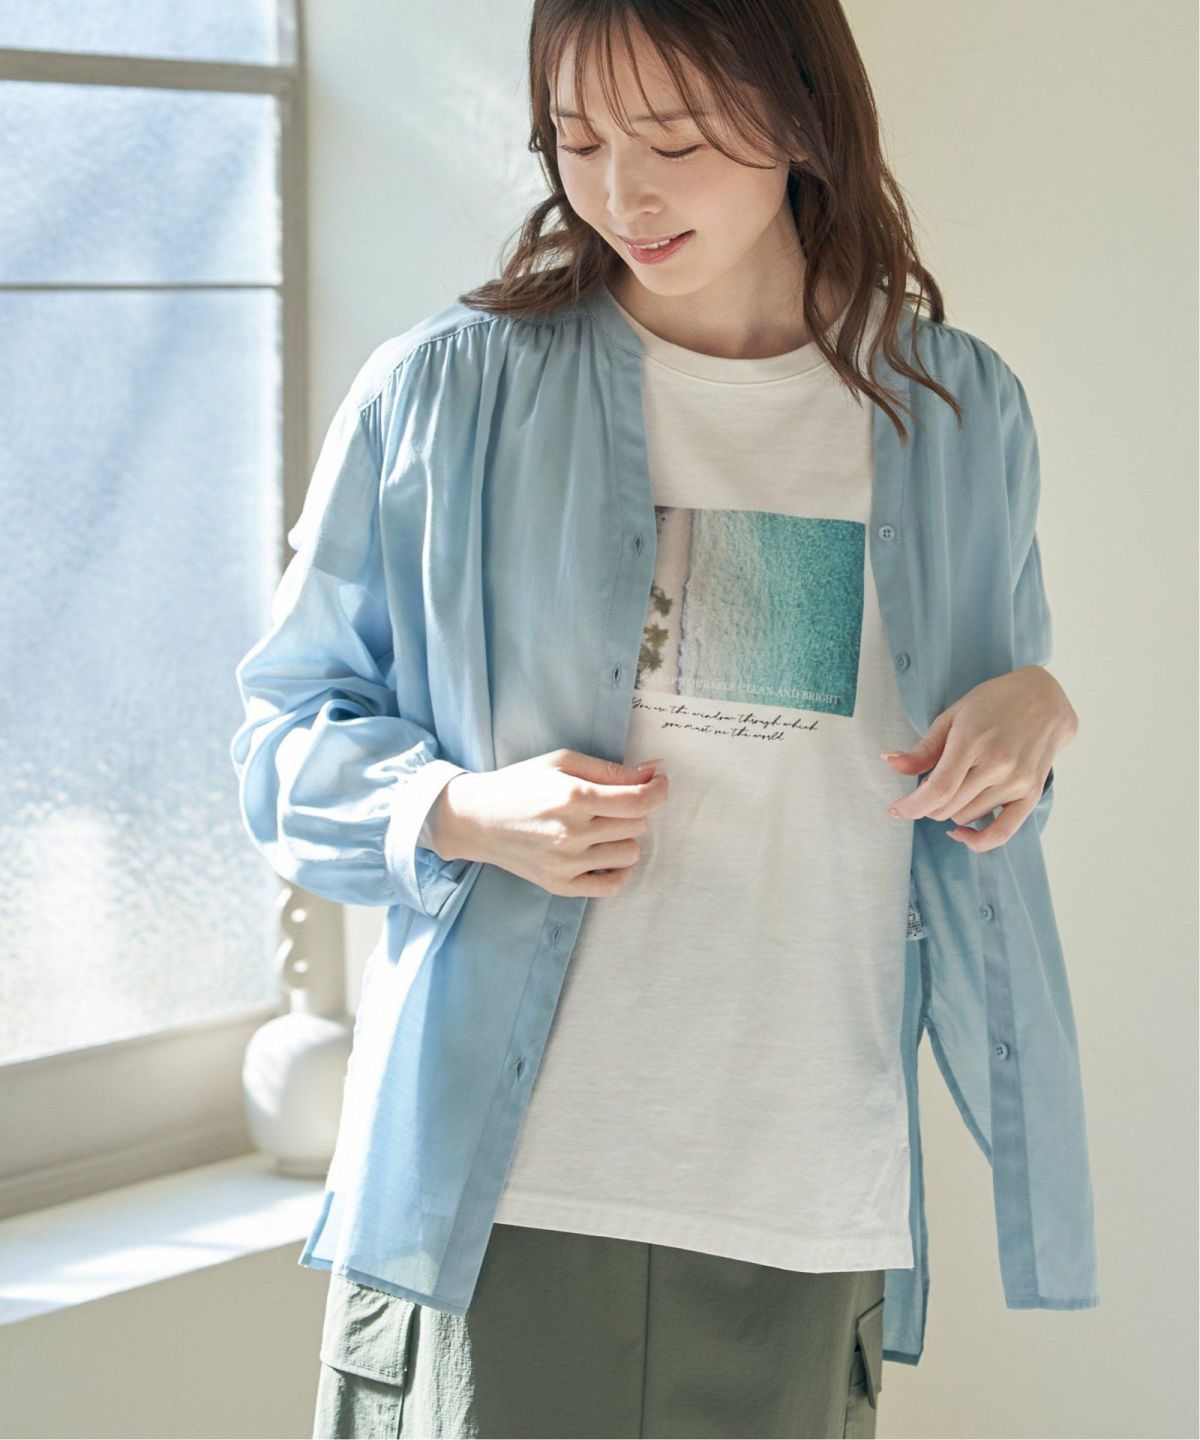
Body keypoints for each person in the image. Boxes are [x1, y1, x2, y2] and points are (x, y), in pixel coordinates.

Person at [230, 2, 1099, 1436]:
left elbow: (959, 798)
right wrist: (457, 810)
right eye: (576, 140)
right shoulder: (448, 396)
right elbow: (283, 744)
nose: (621, 191)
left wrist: (1037, 716)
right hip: (510, 1191)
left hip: (805, 1195)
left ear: (800, 115)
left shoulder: (955, 416)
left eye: (674, 139)